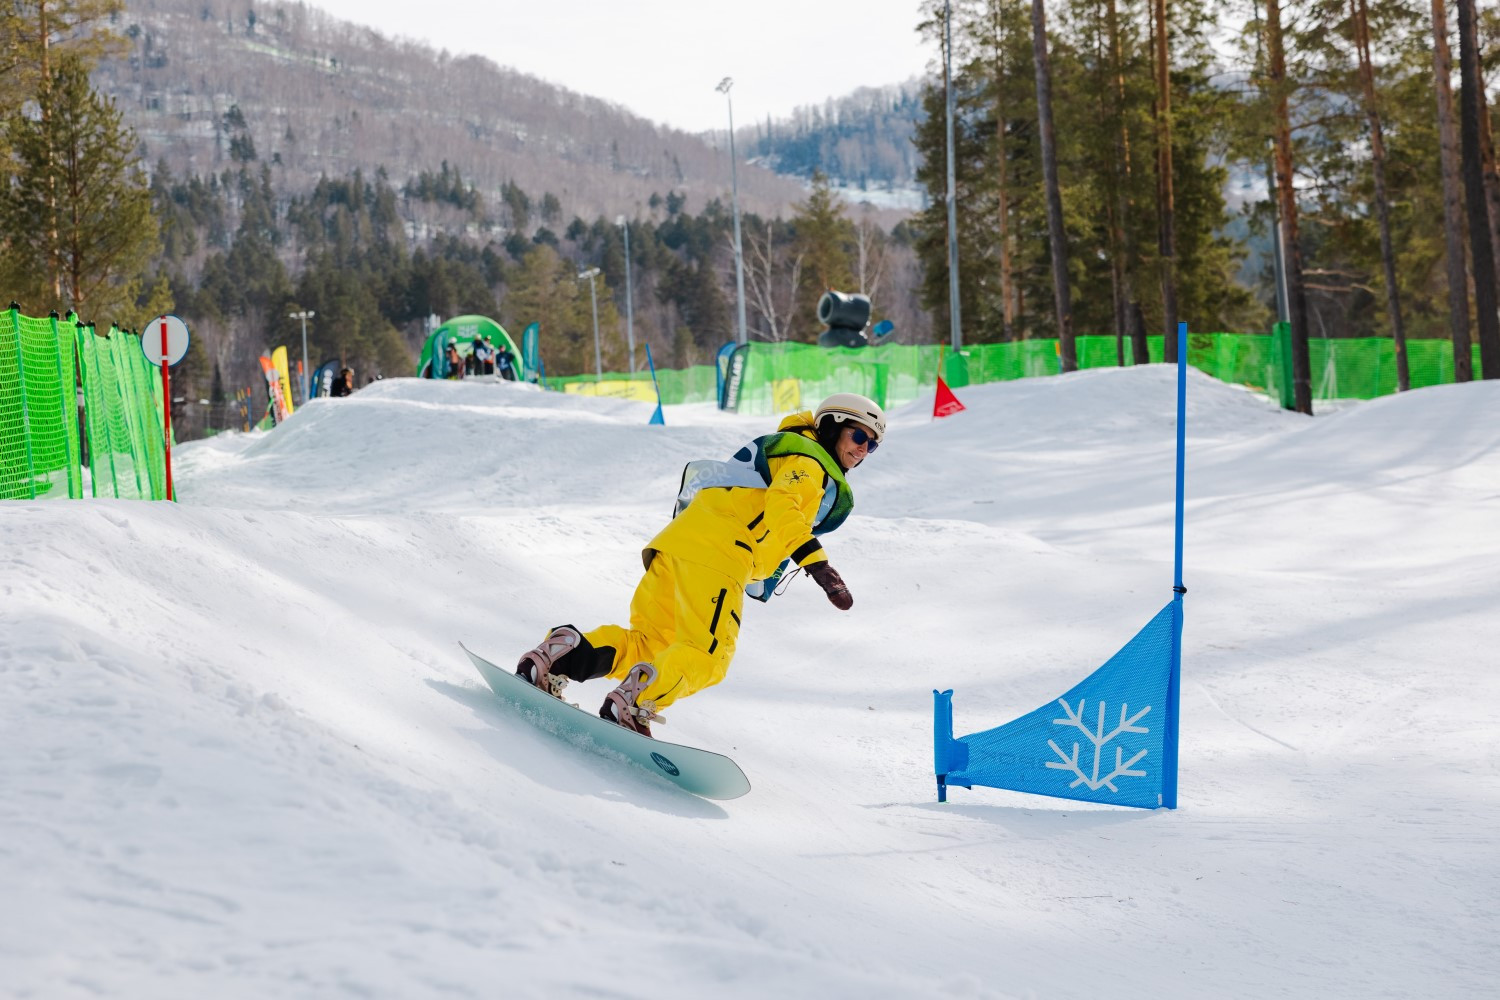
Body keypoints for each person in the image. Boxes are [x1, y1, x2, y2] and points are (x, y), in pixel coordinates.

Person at [514, 393, 886, 736]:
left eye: (873, 445)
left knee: (650, 644)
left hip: (676, 544)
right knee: (708, 657)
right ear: (833, 426)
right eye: (858, 437)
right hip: (720, 554)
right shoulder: (809, 461)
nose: (864, 450)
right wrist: (821, 567)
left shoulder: (785, 450)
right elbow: (783, 508)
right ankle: (634, 702)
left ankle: (561, 654)